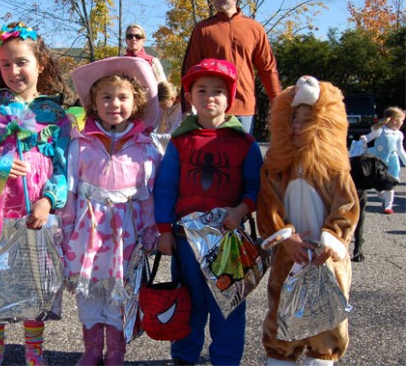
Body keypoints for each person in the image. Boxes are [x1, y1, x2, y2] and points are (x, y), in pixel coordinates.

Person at [0, 22, 71, 366]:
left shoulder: (56, 113)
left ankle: (34, 352)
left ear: (40, 65)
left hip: (36, 209)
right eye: (6, 64)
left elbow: (65, 169)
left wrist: (49, 200)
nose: (14, 71)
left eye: (21, 62)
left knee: (34, 278)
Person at [154, 58, 263, 365]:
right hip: (186, 239)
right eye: (201, 90)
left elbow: (256, 185)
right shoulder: (180, 142)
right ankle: (185, 356)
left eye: (218, 90)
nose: (210, 96)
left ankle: (226, 359)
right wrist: (164, 230)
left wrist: (241, 209)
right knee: (190, 301)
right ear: (189, 96)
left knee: (228, 304)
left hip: (227, 239)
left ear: (230, 98)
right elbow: (165, 188)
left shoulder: (244, 143)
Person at [63, 56, 161, 366]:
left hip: (126, 234)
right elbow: (70, 188)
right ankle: (92, 350)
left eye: (122, 97)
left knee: (121, 294)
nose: (114, 103)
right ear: (93, 102)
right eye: (106, 97)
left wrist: (151, 231)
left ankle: (116, 352)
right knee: (89, 292)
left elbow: (148, 195)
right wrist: (64, 229)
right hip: (86, 232)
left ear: (136, 101)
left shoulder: (145, 148)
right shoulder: (80, 143)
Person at [256, 76, 359, 366]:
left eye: (307, 120)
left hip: (326, 258)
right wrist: (284, 237)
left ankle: (321, 357)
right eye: (293, 120)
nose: (297, 127)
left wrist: (332, 238)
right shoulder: (274, 168)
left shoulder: (335, 170)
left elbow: (347, 207)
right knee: (279, 321)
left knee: (327, 324)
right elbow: (268, 207)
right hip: (289, 255)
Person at [181, 0, 281, 134]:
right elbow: (189, 70)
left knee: (243, 157)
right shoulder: (203, 29)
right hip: (211, 108)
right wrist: (187, 108)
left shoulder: (254, 28)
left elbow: (268, 69)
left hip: (244, 108)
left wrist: (278, 103)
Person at [360, 106, 406, 214]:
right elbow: (369, 137)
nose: (402, 123)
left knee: (390, 184)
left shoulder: (399, 134)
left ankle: (388, 206)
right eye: (402, 120)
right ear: (395, 120)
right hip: (379, 160)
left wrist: (404, 160)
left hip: (392, 161)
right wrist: (363, 140)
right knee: (378, 186)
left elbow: (400, 150)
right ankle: (383, 198)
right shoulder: (380, 131)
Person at [151, 80, 183, 154]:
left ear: (172, 99)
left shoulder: (181, 110)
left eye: (162, 105)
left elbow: (173, 135)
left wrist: (153, 137)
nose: (160, 107)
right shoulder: (165, 106)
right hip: (165, 137)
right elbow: (155, 122)